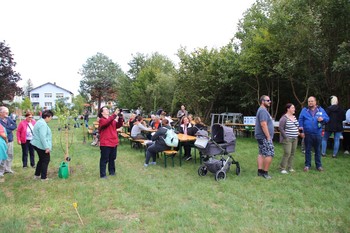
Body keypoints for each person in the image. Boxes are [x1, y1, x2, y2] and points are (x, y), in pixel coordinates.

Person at [299, 96, 329, 172]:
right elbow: (300, 120)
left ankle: (318, 166)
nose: (310, 103)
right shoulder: (304, 110)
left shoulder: (321, 110)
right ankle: (307, 165)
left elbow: (327, 118)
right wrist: (301, 131)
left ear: (315, 102)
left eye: (312, 101)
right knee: (308, 150)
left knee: (317, 150)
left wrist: (323, 119)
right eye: (309, 101)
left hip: (317, 133)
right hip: (308, 134)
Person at [98, 106, 124, 179]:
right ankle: (103, 175)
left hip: (113, 142)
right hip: (106, 143)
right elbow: (106, 122)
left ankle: (112, 172)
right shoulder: (102, 120)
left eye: (107, 109)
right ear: (102, 112)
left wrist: (120, 117)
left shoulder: (111, 119)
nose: (107, 110)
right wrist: (114, 114)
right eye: (106, 109)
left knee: (112, 158)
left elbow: (118, 125)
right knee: (104, 159)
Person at [255, 95, 275, 179]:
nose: (269, 102)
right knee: (269, 153)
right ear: (262, 101)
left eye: (270, 100)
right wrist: (268, 137)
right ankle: (265, 173)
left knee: (261, 153)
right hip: (264, 137)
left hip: (261, 136)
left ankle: (260, 171)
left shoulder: (263, 110)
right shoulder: (263, 110)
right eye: (268, 100)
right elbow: (263, 124)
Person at [31, 110, 54, 181]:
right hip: (41, 145)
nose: (51, 119)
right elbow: (42, 137)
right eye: (51, 117)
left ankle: (37, 175)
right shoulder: (43, 124)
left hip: (37, 144)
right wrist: (46, 147)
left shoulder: (39, 122)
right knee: (46, 160)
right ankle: (43, 177)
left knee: (41, 160)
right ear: (47, 117)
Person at [278, 103, 299, 174]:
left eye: (294, 108)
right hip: (287, 139)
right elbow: (280, 128)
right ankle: (282, 168)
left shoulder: (294, 117)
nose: (294, 109)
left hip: (295, 138)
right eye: (292, 108)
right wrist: (285, 137)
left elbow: (296, 126)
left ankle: (290, 167)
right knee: (287, 153)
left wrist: (298, 131)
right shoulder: (284, 118)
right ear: (288, 109)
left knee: (292, 153)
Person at [0, 106, 17, 175]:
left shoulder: (8, 118)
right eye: (5, 112)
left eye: (8, 112)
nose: (7, 114)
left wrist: (8, 129)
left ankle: (8, 168)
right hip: (3, 140)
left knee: (10, 154)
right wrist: (9, 129)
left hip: (10, 139)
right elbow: (3, 130)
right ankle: (1, 170)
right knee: (3, 155)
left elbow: (15, 125)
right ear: (0, 113)